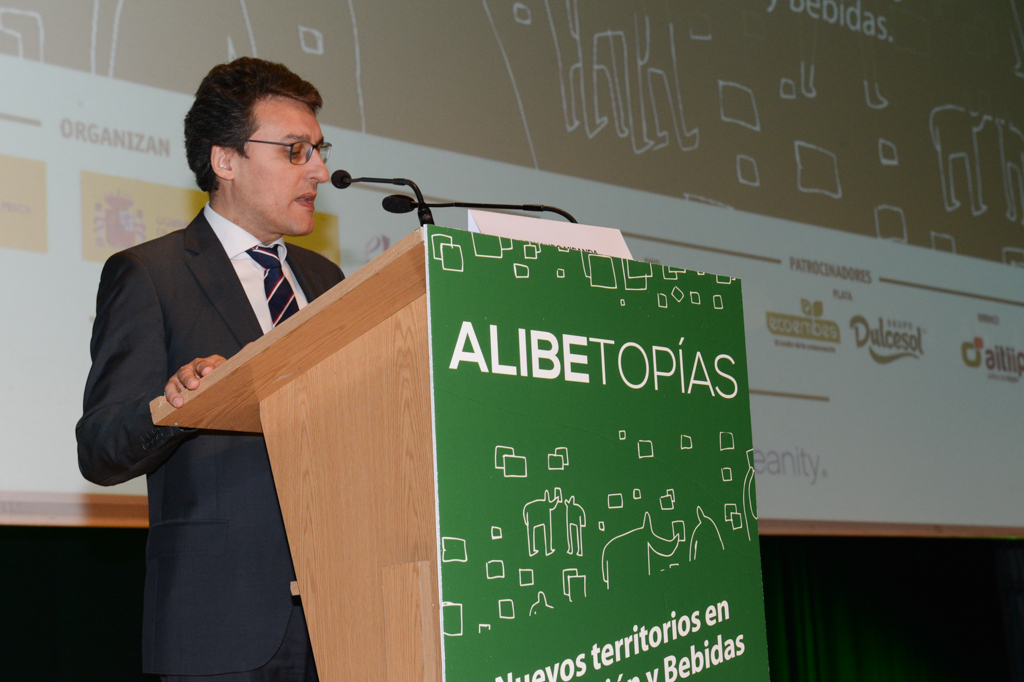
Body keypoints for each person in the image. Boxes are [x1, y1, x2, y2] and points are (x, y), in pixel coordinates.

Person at [77, 57, 344, 681]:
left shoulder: (328, 280)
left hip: (343, 612)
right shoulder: (152, 274)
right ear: (225, 160)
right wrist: (174, 405)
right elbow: (100, 446)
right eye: (296, 151)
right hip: (222, 619)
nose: (319, 171)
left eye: (319, 150)